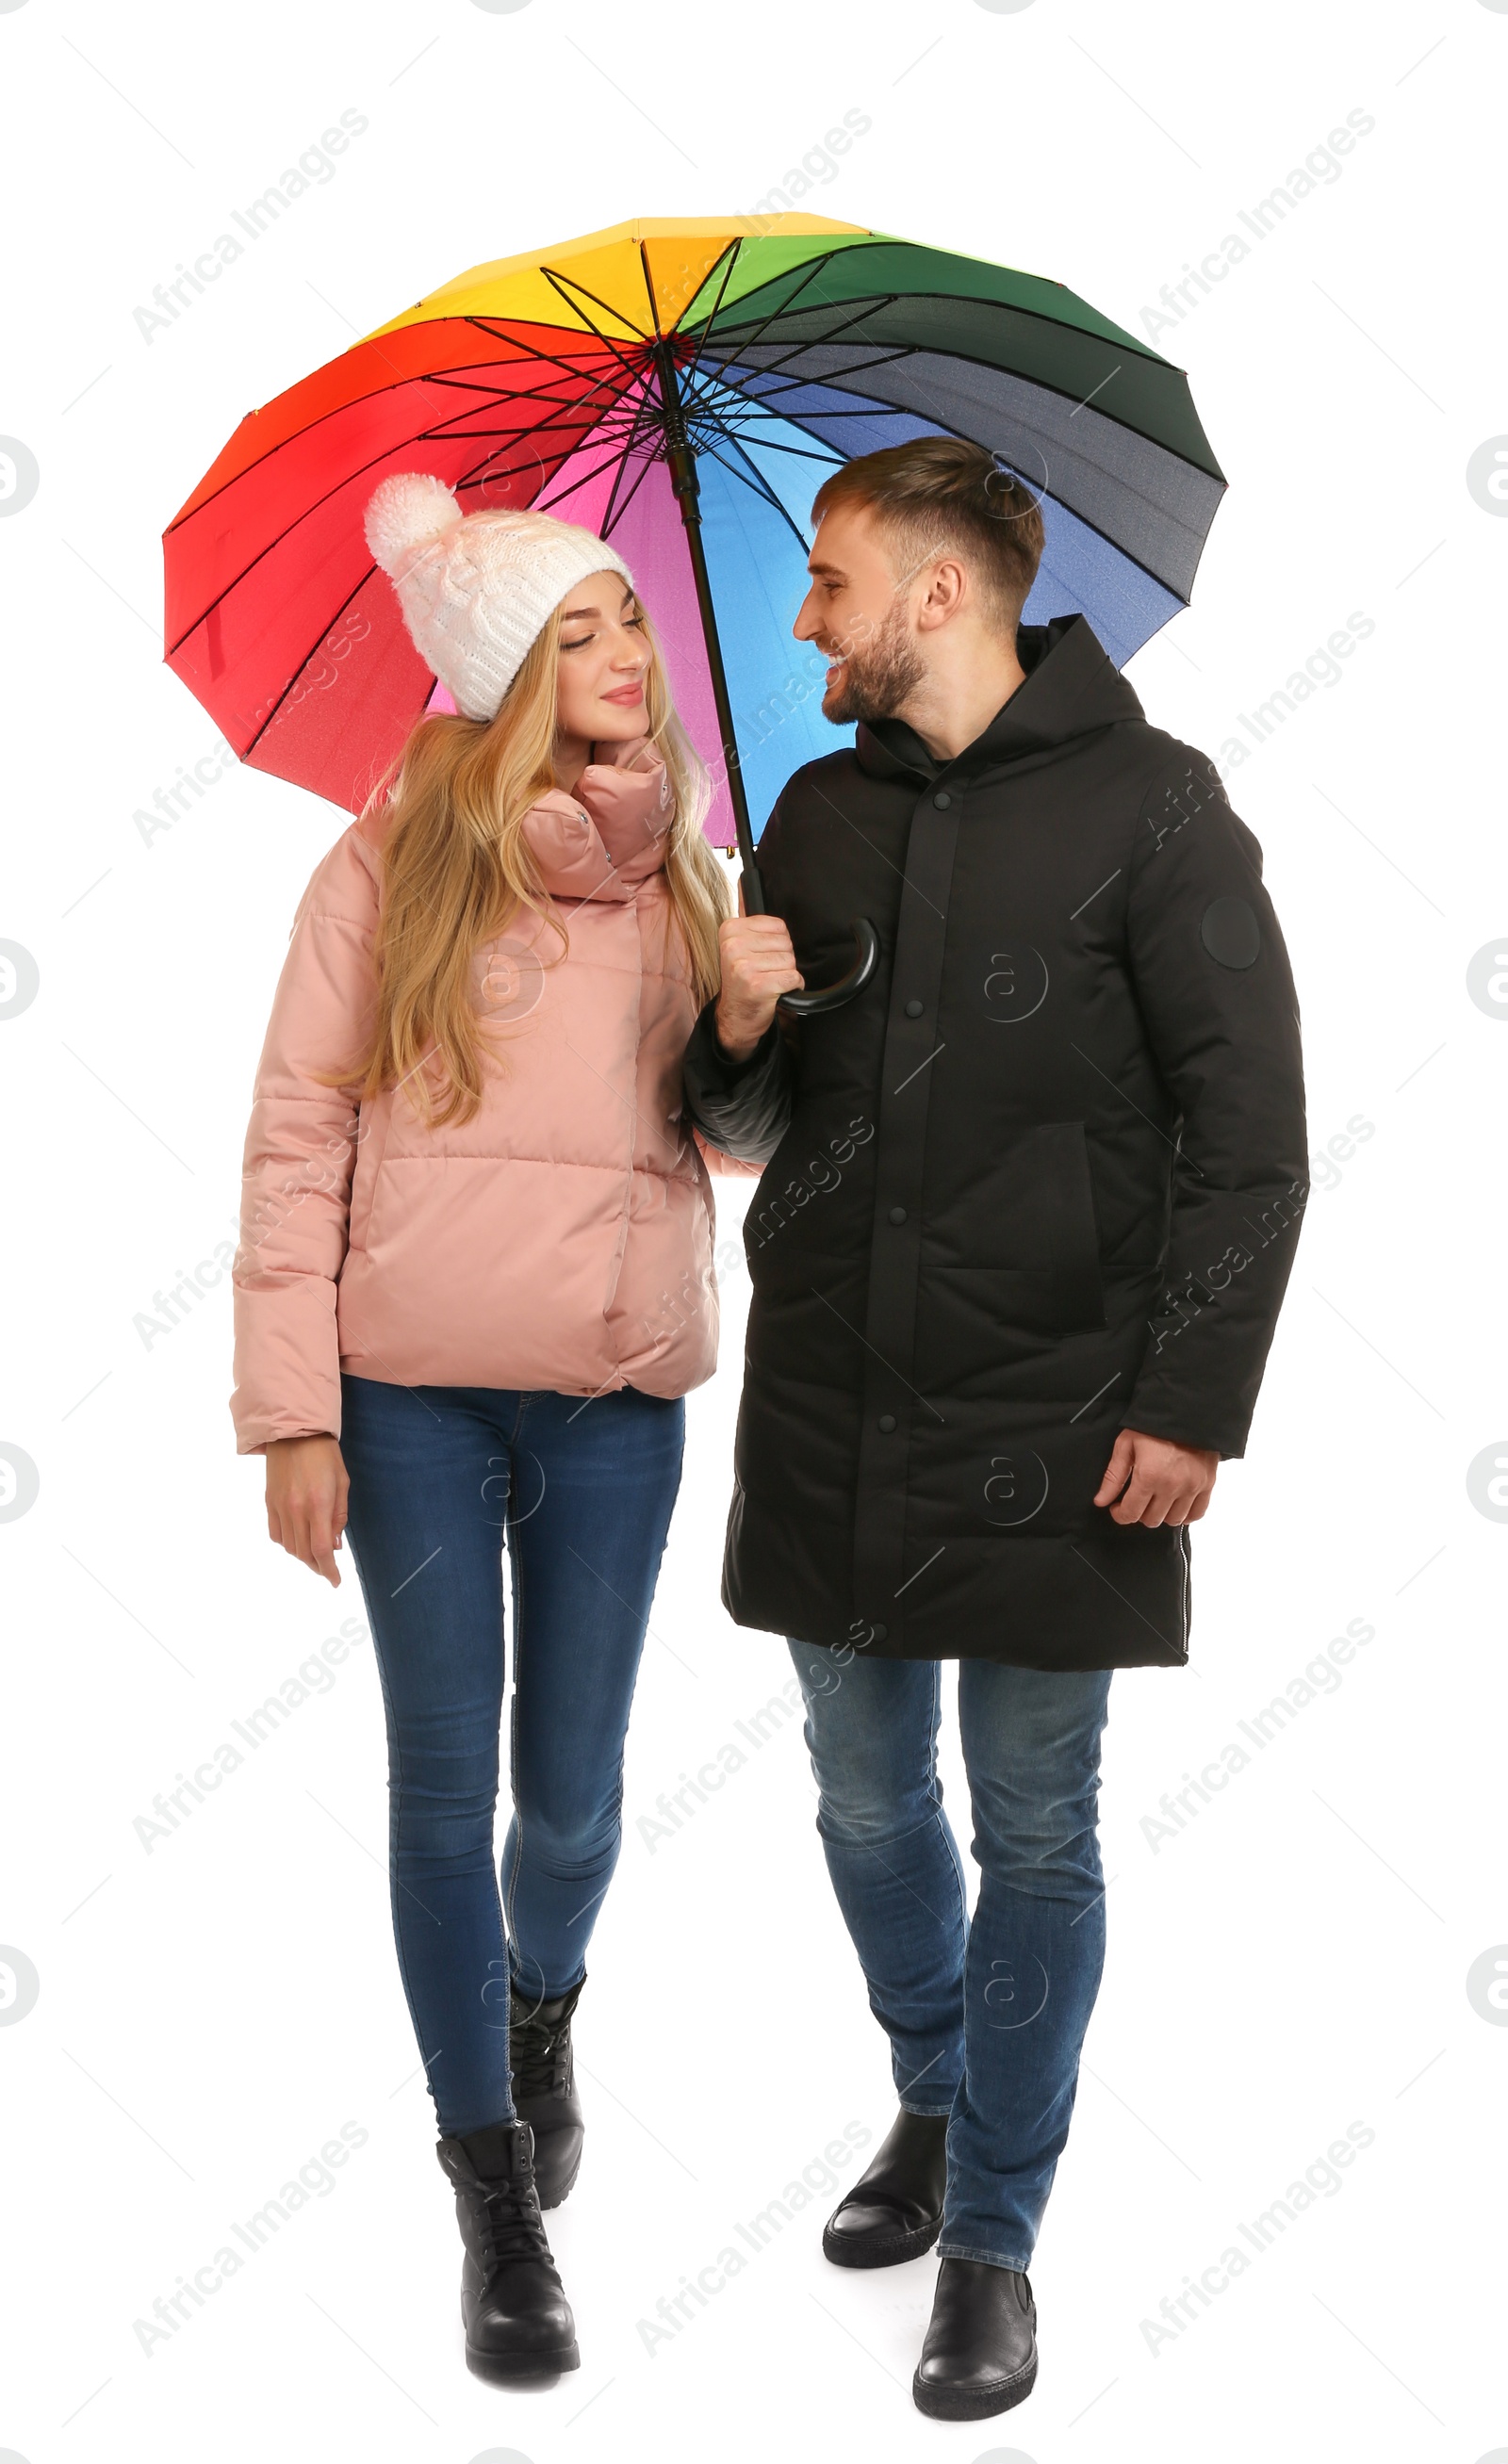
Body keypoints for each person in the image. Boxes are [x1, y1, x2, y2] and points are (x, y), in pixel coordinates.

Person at [681, 437, 1307, 2423]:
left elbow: (1250, 1142)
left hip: (1067, 1426)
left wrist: (1189, 1402)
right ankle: (938, 2095)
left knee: (1033, 1826)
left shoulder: (1154, 809)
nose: (803, 620)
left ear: (936, 595)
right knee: (868, 1807)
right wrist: (731, 1030)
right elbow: (738, 1144)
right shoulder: (804, 816)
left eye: (829, 581)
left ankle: (994, 2239)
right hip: (833, 1411)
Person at [230, 473, 735, 2385]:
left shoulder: (689, 870)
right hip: (409, 1397)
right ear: (501, 674)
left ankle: (542, 2004)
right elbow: (297, 1142)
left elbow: (746, 1144)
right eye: (576, 633)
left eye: (625, 620)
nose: (622, 655)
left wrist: (762, 1020)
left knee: (578, 1792)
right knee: (441, 1790)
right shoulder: (386, 868)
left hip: (612, 1400)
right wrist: (292, 1412)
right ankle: (491, 2193)